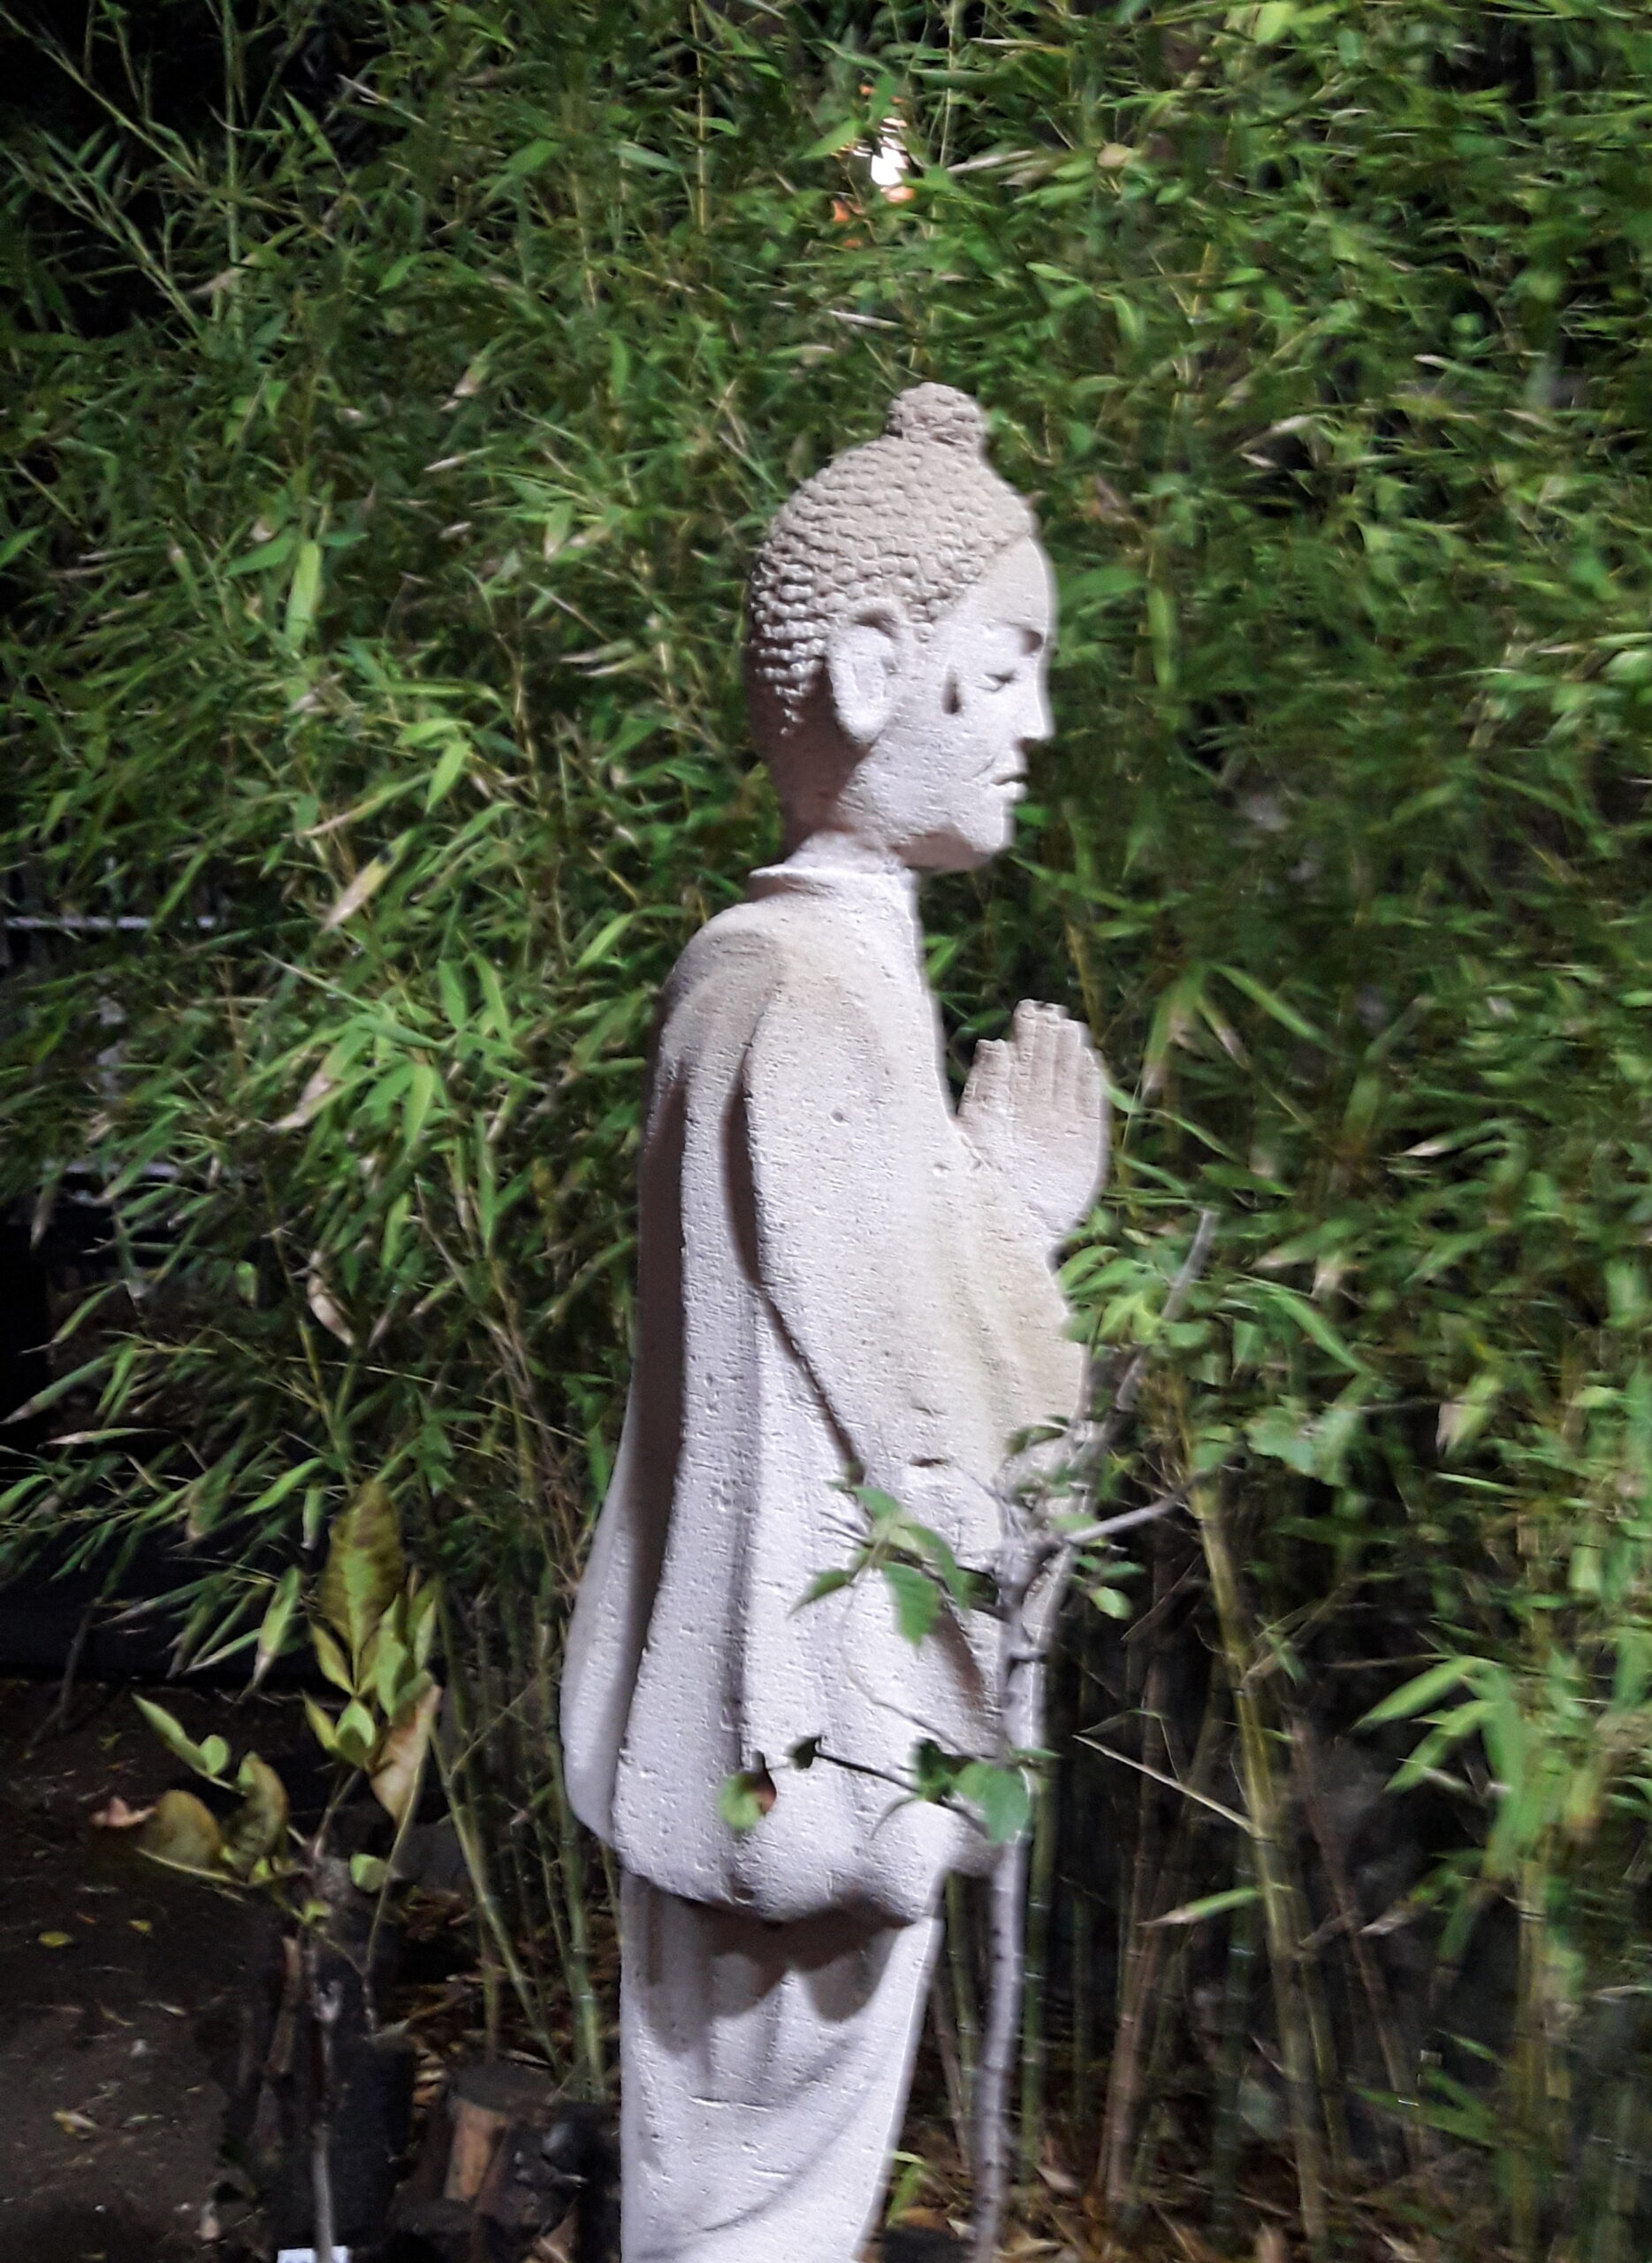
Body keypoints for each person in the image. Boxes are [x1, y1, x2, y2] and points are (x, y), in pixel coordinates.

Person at [560, 383, 1106, 2263]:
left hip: (755, 1733)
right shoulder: (808, 1000)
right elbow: (936, 1418)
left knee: (739, 2197)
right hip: (796, 1742)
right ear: (876, 669)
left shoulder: (776, 976)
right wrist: (1021, 1222)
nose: (1036, 722)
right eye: (1008, 666)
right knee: (754, 2221)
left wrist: (985, 1211)